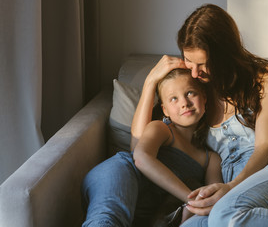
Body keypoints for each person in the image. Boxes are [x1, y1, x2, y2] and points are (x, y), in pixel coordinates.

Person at [131, 4, 268, 227]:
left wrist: (231, 188)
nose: (194, 72)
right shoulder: (194, 91)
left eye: (203, 64)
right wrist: (150, 82)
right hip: (239, 197)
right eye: (189, 61)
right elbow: (137, 146)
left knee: (224, 213)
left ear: (223, 55)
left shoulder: (264, 79)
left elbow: (266, 146)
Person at [82, 68, 223, 227]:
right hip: (120, 173)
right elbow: (141, 158)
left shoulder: (211, 158)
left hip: (150, 213)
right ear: (165, 110)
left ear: (204, 97)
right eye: (174, 99)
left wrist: (193, 207)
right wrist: (190, 199)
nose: (184, 103)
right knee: (107, 220)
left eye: (190, 93)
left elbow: (211, 199)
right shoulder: (162, 129)